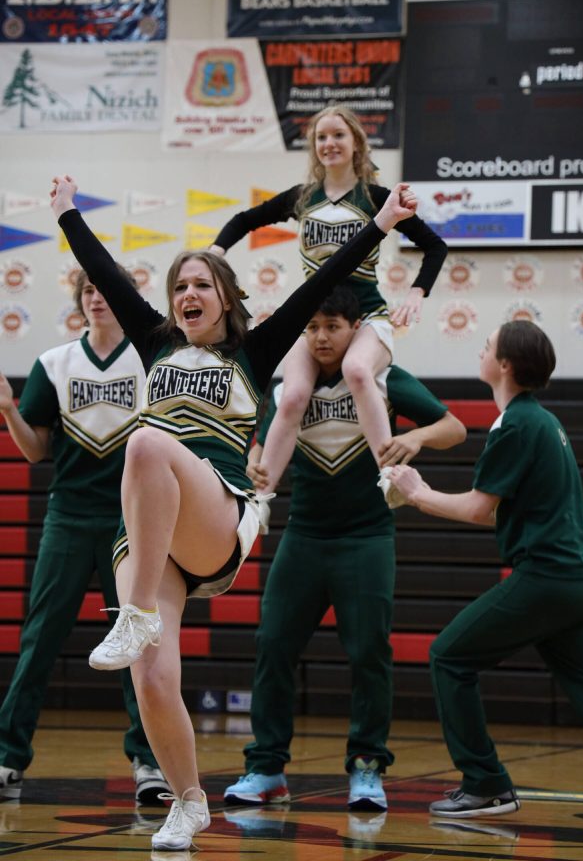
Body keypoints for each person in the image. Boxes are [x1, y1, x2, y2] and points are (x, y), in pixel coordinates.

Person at [50, 173, 416, 851]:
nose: (188, 294)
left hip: (215, 514)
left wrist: (383, 222)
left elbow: (323, 277)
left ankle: (129, 616)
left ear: (225, 296)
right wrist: (68, 212)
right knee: (155, 679)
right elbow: (100, 266)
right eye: (179, 286)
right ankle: (187, 804)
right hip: (149, 540)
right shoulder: (155, 342)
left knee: (147, 440)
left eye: (201, 284)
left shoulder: (256, 348)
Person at [388, 320, 583, 820]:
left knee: (448, 657)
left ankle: (485, 784)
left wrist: (417, 493)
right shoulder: (543, 422)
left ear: (504, 364)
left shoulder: (516, 425)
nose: (480, 351)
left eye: (487, 346)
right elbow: (506, 508)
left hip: (550, 581)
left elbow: (481, 510)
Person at [223, 283, 466, 812]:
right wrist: (253, 467)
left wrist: (418, 438)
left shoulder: (383, 377)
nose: (320, 337)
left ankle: (367, 767)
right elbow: (263, 446)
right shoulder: (292, 385)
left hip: (366, 538)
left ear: (356, 329)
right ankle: (266, 768)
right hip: (304, 536)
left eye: (331, 326)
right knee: (273, 647)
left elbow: (456, 427)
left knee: (369, 654)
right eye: (311, 328)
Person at [210, 105, 447, 505]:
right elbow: (243, 220)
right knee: (292, 395)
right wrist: (215, 253)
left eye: (338, 135)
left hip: (366, 317)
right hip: (313, 320)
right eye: (321, 137)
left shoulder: (376, 198)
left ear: (356, 142)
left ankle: (390, 476)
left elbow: (434, 245)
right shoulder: (302, 199)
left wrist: (416, 293)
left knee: (357, 371)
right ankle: (260, 502)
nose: (329, 144)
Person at [0, 268, 168, 806]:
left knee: (138, 645)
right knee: (40, 640)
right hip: (68, 518)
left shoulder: (153, 361)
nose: (97, 299)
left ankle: (148, 760)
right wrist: (7, 408)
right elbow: (34, 449)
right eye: (89, 291)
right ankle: (8, 754)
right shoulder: (54, 364)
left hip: (132, 523)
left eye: (105, 290)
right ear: (81, 300)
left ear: (124, 297)